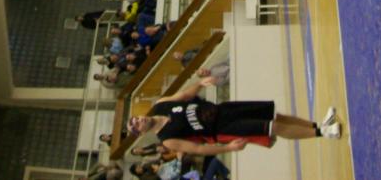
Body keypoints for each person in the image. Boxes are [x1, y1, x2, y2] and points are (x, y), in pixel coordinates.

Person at [127, 80, 342, 155]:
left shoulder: (160, 105)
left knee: (276, 115)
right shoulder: (167, 139)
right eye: (137, 124)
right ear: (141, 133)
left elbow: (183, 95)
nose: (140, 120)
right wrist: (228, 148)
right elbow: (198, 149)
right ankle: (323, 134)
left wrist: (200, 84)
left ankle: (319, 125)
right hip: (223, 128)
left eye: (136, 118)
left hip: (224, 109)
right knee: (272, 127)